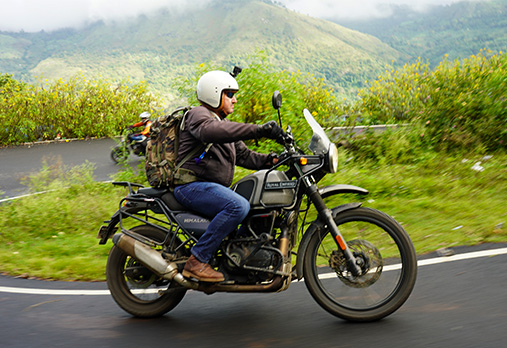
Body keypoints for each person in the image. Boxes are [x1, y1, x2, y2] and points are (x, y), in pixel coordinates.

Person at [174, 70, 283, 282]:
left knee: (257, 203)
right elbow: (209, 132)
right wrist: (258, 130)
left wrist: (273, 160)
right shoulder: (199, 115)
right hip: (191, 186)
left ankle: (241, 257)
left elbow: (244, 156)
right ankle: (197, 261)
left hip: (209, 187)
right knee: (238, 206)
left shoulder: (219, 123)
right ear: (214, 94)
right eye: (229, 94)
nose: (235, 99)